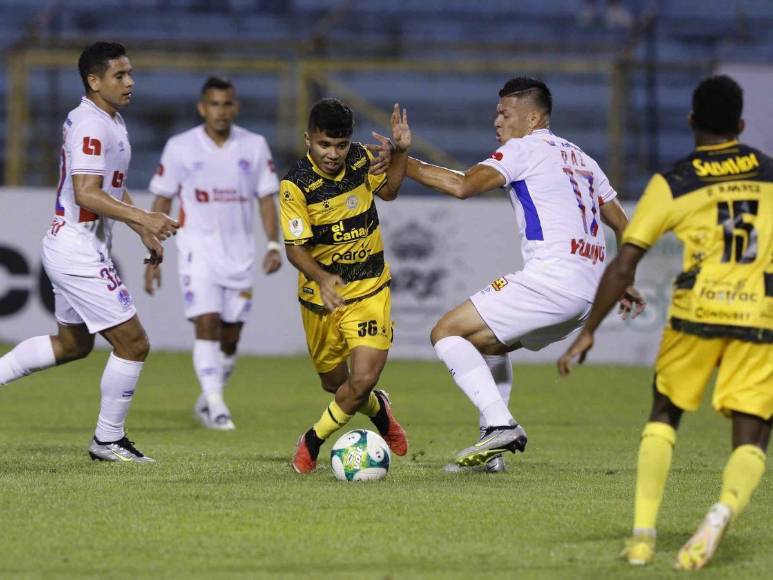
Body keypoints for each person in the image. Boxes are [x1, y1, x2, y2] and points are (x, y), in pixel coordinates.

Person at [558, 75, 772, 570]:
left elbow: (624, 264)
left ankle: (641, 538)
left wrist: (588, 331)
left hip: (696, 315)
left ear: (692, 120)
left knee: (664, 415)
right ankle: (719, 515)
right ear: (740, 125)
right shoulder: (770, 174)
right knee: (753, 433)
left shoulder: (674, 180)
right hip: (759, 315)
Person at [406, 77, 644, 472]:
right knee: (489, 347)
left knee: (445, 332)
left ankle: (501, 425)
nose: (496, 121)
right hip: (587, 293)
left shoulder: (523, 149)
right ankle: (491, 454)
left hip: (553, 280)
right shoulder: (583, 159)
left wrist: (406, 163)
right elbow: (625, 225)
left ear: (533, 118)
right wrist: (624, 277)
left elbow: (464, 186)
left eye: (505, 113)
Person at [0, 42, 179, 461]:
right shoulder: (89, 124)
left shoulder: (108, 119)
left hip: (82, 241)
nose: (130, 81)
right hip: (77, 247)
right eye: (119, 75)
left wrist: (138, 224)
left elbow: (110, 187)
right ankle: (108, 440)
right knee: (133, 343)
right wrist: (148, 218)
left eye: (130, 73)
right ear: (94, 81)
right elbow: (86, 191)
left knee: (72, 344)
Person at [280, 98, 411, 474]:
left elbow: (388, 191)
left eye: (340, 145)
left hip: (369, 289)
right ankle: (379, 411)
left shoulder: (360, 159)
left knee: (364, 378)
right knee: (338, 387)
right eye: (324, 145)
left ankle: (312, 441)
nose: (334, 154)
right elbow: (295, 250)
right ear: (308, 139)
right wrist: (322, 278)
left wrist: (401, 151)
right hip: (320, 300)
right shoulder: (295, 185)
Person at [145, 76, 282, 430]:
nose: (221, 112)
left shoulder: (253, 146)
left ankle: (208, 399)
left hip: (240, 255)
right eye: (214, 104)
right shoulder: (180, 147)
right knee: (206, 323)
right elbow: (162, 199)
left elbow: (267, 199)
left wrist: (272, 244)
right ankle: (218, 407)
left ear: (235, 107)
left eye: (227, 104)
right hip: (197, 250)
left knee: (231, 334)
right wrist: (153, 249)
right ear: (202, 107)